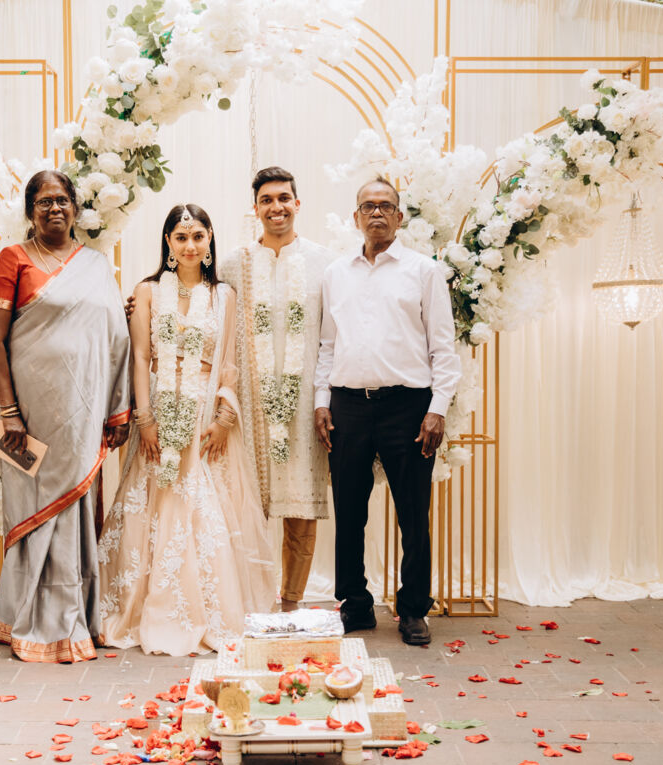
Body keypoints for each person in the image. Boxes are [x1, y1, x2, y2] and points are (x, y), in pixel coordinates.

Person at [98, 204, 277, 656]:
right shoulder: (147, 291)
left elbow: (230, 361)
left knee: (203, 507)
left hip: (204, 415)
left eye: (198, 236)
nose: (190, 245)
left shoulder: (224, 296)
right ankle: (143, 606)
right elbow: (141, 357)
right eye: (181, 237)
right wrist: (145, 419)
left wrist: (224, 418)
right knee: (155, 501)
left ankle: (205, 609)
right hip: (159, 409)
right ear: (168, 243)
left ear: (210, 239)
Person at [0, 169, 132, 663]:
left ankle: (74, 615)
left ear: (75, 208)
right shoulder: (13, 259)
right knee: (33, 504)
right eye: (44, 201)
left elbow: (114, 336)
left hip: (83, 412)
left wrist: (119, 406)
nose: (54, 209)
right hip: (30, 413)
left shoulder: (95, 264)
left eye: (62, 200)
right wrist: (9, 414)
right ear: (31, 211)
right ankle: (30, 615)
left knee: (75, 505)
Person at [314, 178, 460, 646]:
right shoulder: (336, 273)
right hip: (348, 405)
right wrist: (322, 401)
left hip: (408, 407)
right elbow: (327, 344)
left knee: (413, 514)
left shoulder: (424, 271)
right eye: (367, 206)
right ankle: (355, 605)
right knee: (349, 512)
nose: (376, 213)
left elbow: (443, 347)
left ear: (399, 217)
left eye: (385, 206)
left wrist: (437, 409)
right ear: (356, 217)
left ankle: (413, 609)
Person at [219, 167, 335, 612]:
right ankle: (249, 600)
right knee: (245, 505)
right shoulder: (234, 264)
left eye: (284, 198)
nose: (276, 207)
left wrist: (325, 400)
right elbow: (198, 297)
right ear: (255, 209)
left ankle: (291, 604)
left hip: (305, 403)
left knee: (301, 509)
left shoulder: (325, 263)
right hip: (249, 405)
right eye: (267, 200)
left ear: (297, 204)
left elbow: (335, 334)